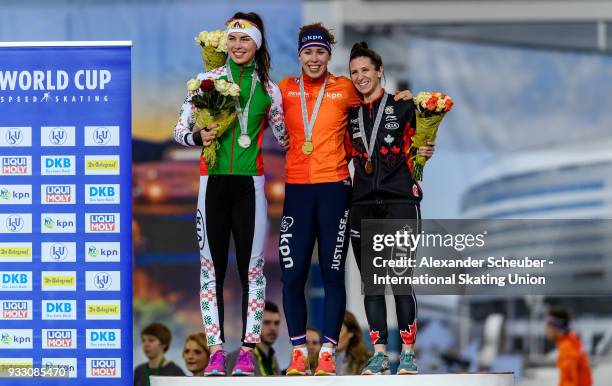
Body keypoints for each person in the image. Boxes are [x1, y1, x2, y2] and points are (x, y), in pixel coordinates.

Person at [278, 23, 412, 376]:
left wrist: (402, 97)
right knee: (293, 277)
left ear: (328, 55)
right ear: (299, 55)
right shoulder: (285, 90)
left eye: (321, 52)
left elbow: (376, 100)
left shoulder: (344, 88)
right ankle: (296, 353)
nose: (314, 58)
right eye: (308, 52)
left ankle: (326, 352)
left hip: (335, 189)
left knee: (333, 274)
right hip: (297, 191)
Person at [173, 12, 286, 376]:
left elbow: (286, 139)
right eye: (232, 40)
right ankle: (217, 351)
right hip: (213, 184)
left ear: (258, 44)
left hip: (250, 186)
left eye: (245, 39)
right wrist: (197, 138)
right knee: (211, 270)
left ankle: (248, 352)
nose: (238, 46)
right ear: (226, 44)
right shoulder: (205, 83)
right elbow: (179, 129)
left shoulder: (270, 90)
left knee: (253, 271)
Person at [346, 42, 435, 375]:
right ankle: (379, 353)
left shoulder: (403, 106)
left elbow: (424, 142)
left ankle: (408, 353)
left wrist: (428, 147)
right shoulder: (350, 114)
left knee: (400, 280)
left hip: (400, 201)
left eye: (366, 70)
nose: (360, 77)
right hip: (363, 204)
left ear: (379, 72)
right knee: (371, 284)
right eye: (354, 72)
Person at [228, 301, 282, 376]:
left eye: (276, 323)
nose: (273, 328)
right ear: (255, 324)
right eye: (266, 322)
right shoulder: (236, 358)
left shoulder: (273, 359)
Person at [546, 306, 592, 386]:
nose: (546, 328)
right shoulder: (572, 341)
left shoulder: (567, 347)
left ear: (556, 326)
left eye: (548, 324)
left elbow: (569, 380)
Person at [335, 311, 370, 375]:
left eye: (339, 330)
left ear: (351, 333)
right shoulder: (318, 359)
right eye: (331, 331)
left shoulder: (367, 361)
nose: (333, 335)